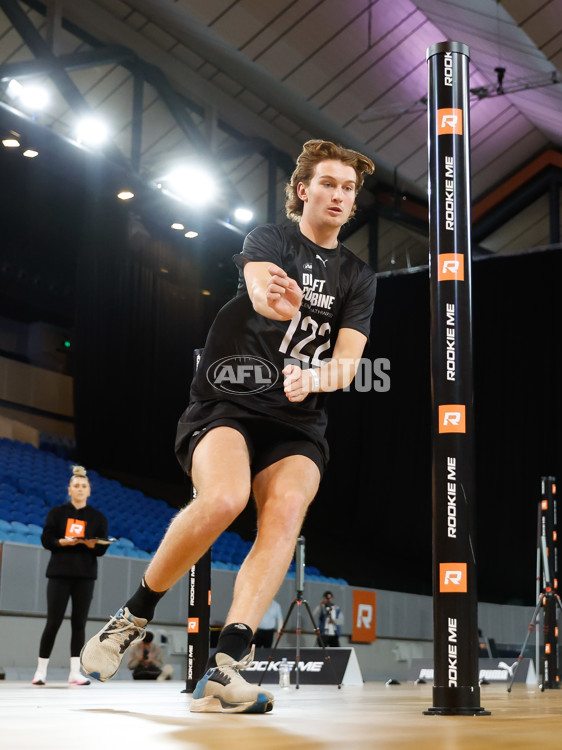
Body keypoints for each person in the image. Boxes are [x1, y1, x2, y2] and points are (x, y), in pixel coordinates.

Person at [81, 139, 376, 714]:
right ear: (303, 190)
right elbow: (264, 290)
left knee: (287, 510)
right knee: (224, 498)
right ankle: (132, 616)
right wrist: (283, 302)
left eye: (349, 188)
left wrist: (314, 380)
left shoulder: (358, 278)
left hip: (297, 419)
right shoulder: (270, 240)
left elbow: (347, 364)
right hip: (228, 403)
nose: (340, 195)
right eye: (330, 184)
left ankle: (226, 668)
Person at [32, 465, 108, 686]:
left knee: (79, 623)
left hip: (85, 576)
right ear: (70, 489)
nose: (80, 489)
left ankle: (75, 672)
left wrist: (93, 544)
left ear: (89, 490)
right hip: (59, 574)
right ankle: (40, 671)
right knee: (53, 622)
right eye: (76, 486)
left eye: (84, 486)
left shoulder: (98, 517)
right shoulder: (57, 513)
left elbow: (102, 549)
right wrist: (60, 542)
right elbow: (46, 539)